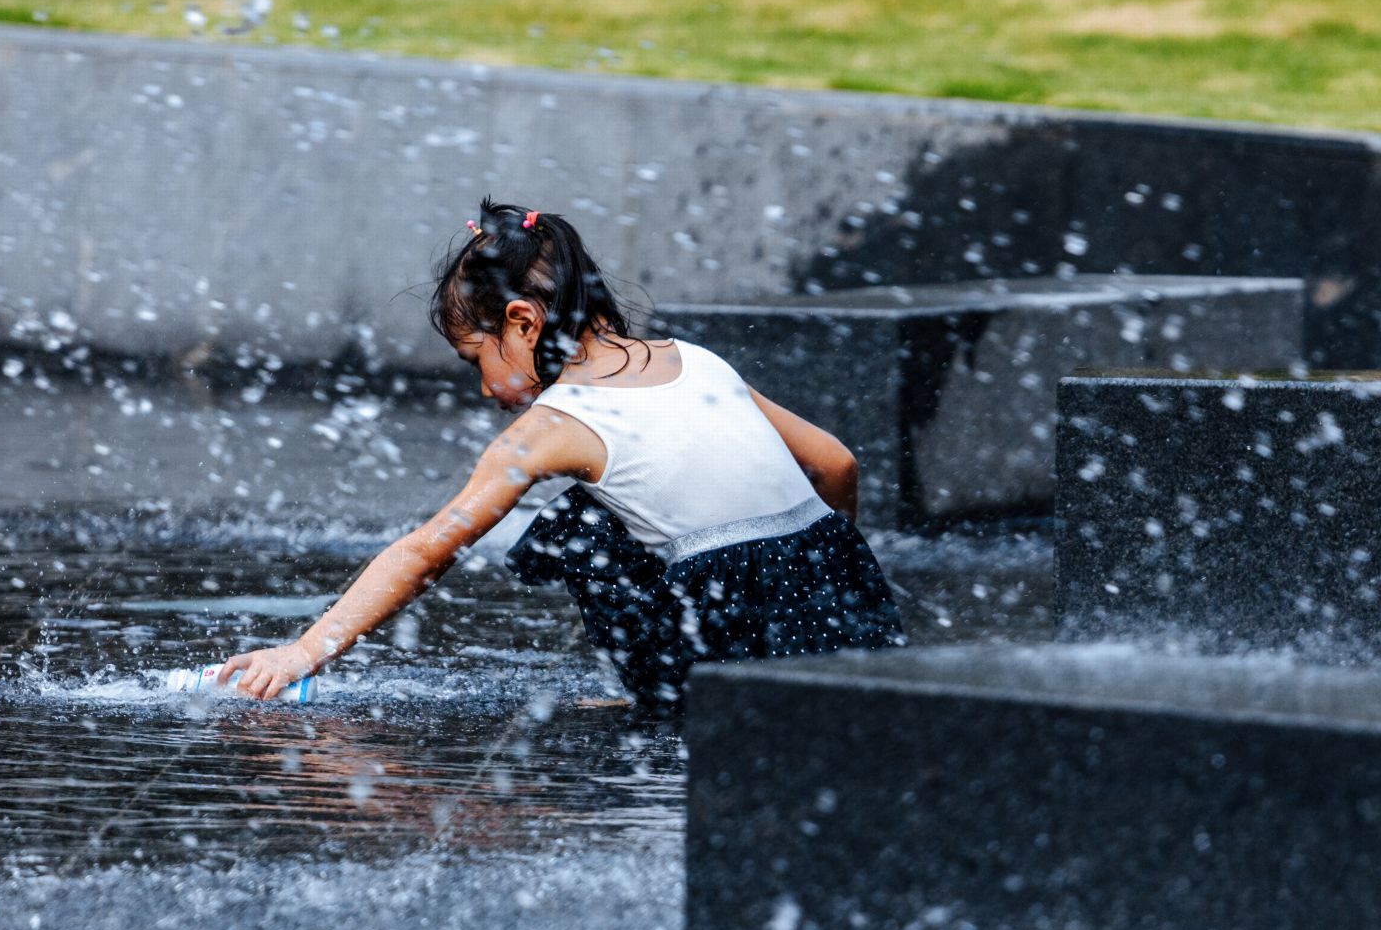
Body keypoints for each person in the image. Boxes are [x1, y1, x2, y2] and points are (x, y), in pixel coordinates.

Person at [217, 198, 904, 711]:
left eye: (476, 359)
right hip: (848, 610)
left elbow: (427, 550)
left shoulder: (551, 428)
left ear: (522, 321)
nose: (487, 389)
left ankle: (665, 695)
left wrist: (305, 650)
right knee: (618, 510)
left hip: (731, 641)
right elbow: (836, 463)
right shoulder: (692, 358)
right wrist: (824, 569)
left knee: (581, 528)